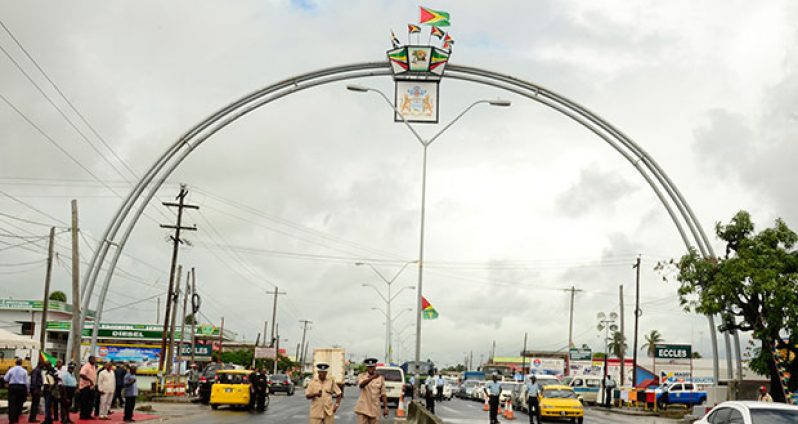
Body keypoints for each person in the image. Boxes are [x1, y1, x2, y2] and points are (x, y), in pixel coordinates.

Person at [354, 358, 388, 424]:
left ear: (375, 367)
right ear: (367, 367)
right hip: (363, 409)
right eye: (369, 367)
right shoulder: (361, 376)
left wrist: (385, 407)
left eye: (372, 367)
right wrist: (372, 378)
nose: (371, 368)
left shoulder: (380, 378)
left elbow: (383, 394)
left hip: (375, 409)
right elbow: (361, 385)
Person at [4, 358, 29, 424]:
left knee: (12, 403)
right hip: (21, 387)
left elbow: (5, 378)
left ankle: (11, 419)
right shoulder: (24, 371)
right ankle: (16, 418)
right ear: (21, 363)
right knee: (19, 403)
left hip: (12, 387)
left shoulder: (11, 370)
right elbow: (27, 382)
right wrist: (28, 391)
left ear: (15, 362)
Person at [78, 356, 97, 420]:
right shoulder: (86, 366)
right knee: (84, 402)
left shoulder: (93, 366)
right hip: (85, 386)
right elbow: (81, 374)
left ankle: (88, 414)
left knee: (90, 402)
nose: (95, 360)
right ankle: (83, 415)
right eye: (93, 359)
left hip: (91, 387)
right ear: (90, 360)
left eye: (95, 359)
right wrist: (89, 380)